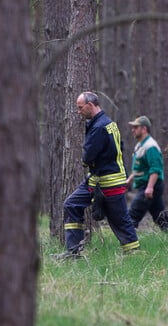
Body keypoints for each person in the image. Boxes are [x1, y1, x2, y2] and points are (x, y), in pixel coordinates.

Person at [57, 91, 140, 258]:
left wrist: (85, 161)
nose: (78, 111)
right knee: (71, 204)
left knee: (119, 219)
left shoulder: (98, 127)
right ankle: (73, 251)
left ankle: (134, 253)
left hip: (108, 181)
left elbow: (88, 156)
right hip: (99, 179)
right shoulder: (108, 123)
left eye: (80, 108)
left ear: (90, 105)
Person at [124, 115, 168, 232]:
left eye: (136, 127)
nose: (133, 130)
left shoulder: (150, 146)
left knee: (132, 215)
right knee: (160, 217)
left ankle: (128, 241)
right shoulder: (140, 145)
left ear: (144, 129)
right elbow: (141, 166)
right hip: (147, 185)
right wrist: (130, 179)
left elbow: (155, 168)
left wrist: (150, 188)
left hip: (150, 185)